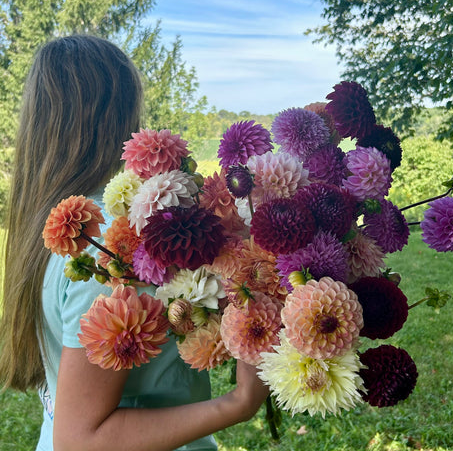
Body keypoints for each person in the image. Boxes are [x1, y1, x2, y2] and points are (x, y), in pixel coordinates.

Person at [0, 34, 269, 451]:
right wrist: (240, 402)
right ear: (119, 112)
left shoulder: (54, 222)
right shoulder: (112, 243)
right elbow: (80, 439)